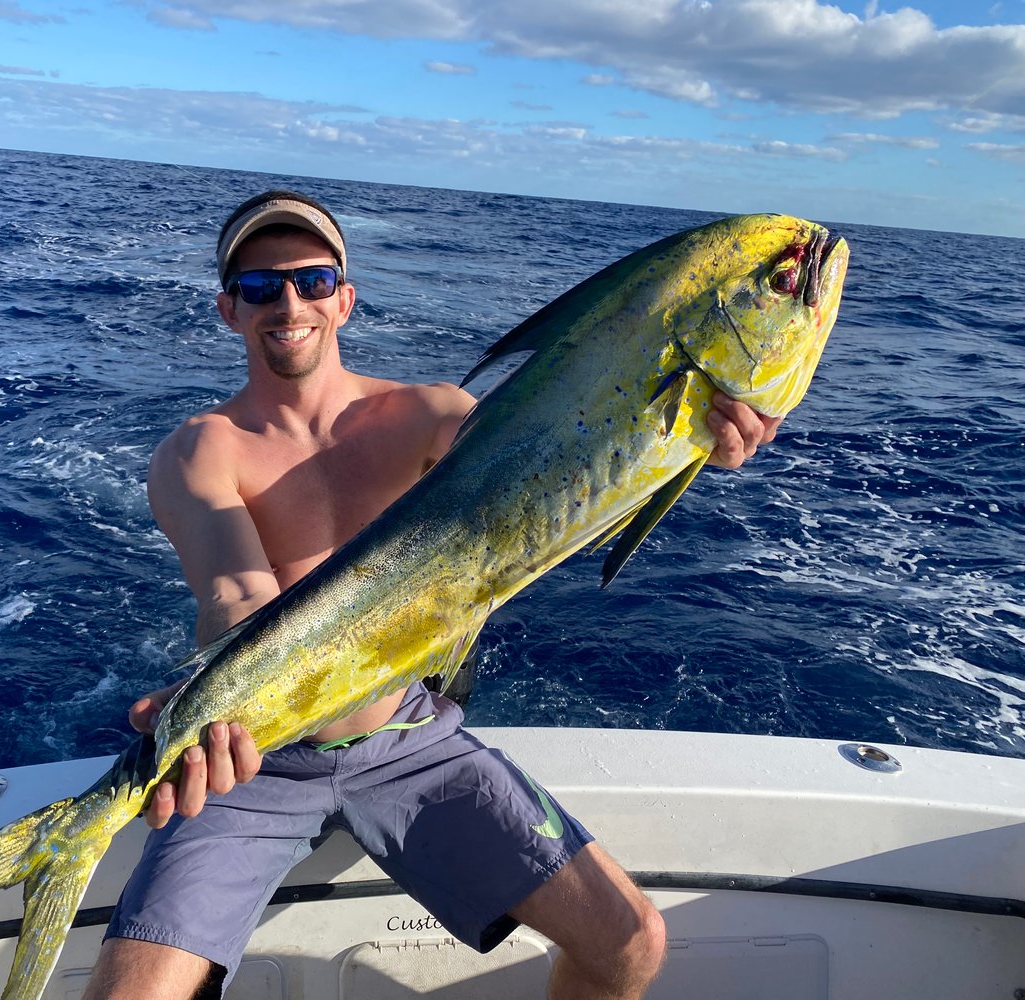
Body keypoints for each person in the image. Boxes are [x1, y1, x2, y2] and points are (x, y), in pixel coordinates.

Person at [82, 191, 781, 1000]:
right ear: (227, 310)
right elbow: (236, 597)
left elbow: (560, 475)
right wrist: (223, 701)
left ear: (344, 297)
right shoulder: (198, 450)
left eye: (311, 280)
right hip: (255, 761)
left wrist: (694, 432)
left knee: (628, 941)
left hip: (407, 742)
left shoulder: (434, 415)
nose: (289, 304)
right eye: (260, 287)